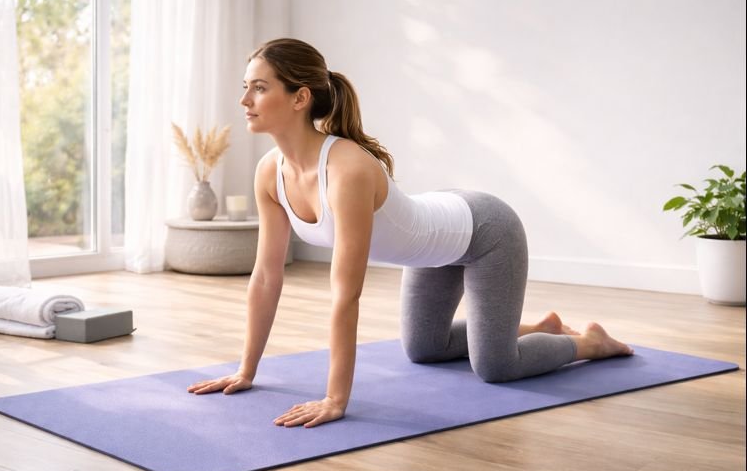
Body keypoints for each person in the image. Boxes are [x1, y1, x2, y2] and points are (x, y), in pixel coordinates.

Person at [187, 38, 634, 428]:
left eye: (259, 87)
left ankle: (588, 342)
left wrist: (336, 400)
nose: (245, 99)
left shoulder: (347, 170)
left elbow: (346, 295)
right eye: (245, 87)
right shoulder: (270, 172)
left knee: (495, 366)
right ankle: (538, 326)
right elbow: (266, 277)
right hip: (431, 246)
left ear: (300, 97)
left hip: (486, 232)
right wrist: (246, 370)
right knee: (424, 349)